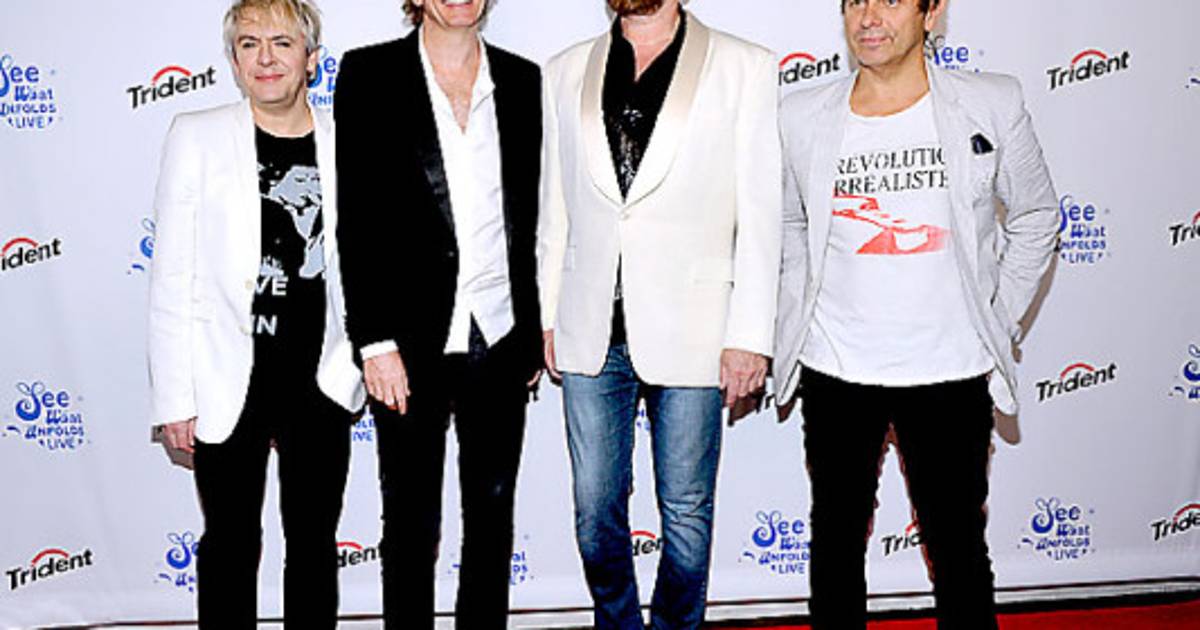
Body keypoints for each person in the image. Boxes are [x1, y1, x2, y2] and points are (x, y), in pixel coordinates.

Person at [773, 1, 1059, 628]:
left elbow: (1037, 216)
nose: (868, 17)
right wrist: (796, 314)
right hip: (836, 367)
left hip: (950, 369)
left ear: (933, 12)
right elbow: (790, 223)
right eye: (855, 0)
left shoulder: (991, 102)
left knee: (958, 548)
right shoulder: (800, 114)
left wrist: (997, 318)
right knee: (835, 545)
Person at [538, 1, 781, 627]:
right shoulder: (564, 70)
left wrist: (750, 334)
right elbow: (554, 205)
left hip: (697, 327)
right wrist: (547, 312)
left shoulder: (744, 67)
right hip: (591, 328)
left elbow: (762, 215)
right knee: (594, 515)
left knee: (687, 518)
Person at [148, 1, 363, 627]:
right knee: (229, 546)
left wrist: (357, 362)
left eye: (282, 43)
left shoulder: (350, 139)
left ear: (311, 59)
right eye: (249, 44)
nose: (266, 58)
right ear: (235, 60)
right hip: (224, 378)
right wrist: (174, 399)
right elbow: (171, 277)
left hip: (321, 379)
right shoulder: (195, 135)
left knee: (314, 547)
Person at [333, 0, 543, 627]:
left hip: (498, 332)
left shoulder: (523, 79)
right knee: (409, 520)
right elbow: (356, 219)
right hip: (406, 342)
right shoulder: (369, 75)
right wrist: (374, 341)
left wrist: (532, 328)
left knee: (492, 515)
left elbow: (529, 216)